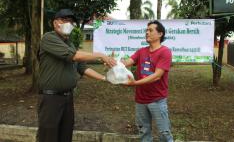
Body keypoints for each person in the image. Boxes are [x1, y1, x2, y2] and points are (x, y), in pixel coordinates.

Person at [37, 8, 116, 142]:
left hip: (67, 98)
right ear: (56, 23)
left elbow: (82, 67)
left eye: (72, 22)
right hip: (51, 98)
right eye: (65, 20)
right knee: (48, 136)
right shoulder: (49, 38)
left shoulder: (70, 44)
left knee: (65, 135)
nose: (69, 24)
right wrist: (100, 56)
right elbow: (73, 56)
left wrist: (105, 78)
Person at [121, 20, 173, 142]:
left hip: (157, 100)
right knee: (144, 133)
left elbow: (157, 76)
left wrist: (134, 83)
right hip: (141, 100)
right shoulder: (141, 51)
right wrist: (113, 63)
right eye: (146, 30)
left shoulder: (165, 52)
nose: (147, 33)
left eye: (150, 30)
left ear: (160, 34)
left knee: (164, 134)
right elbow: (126, 63)